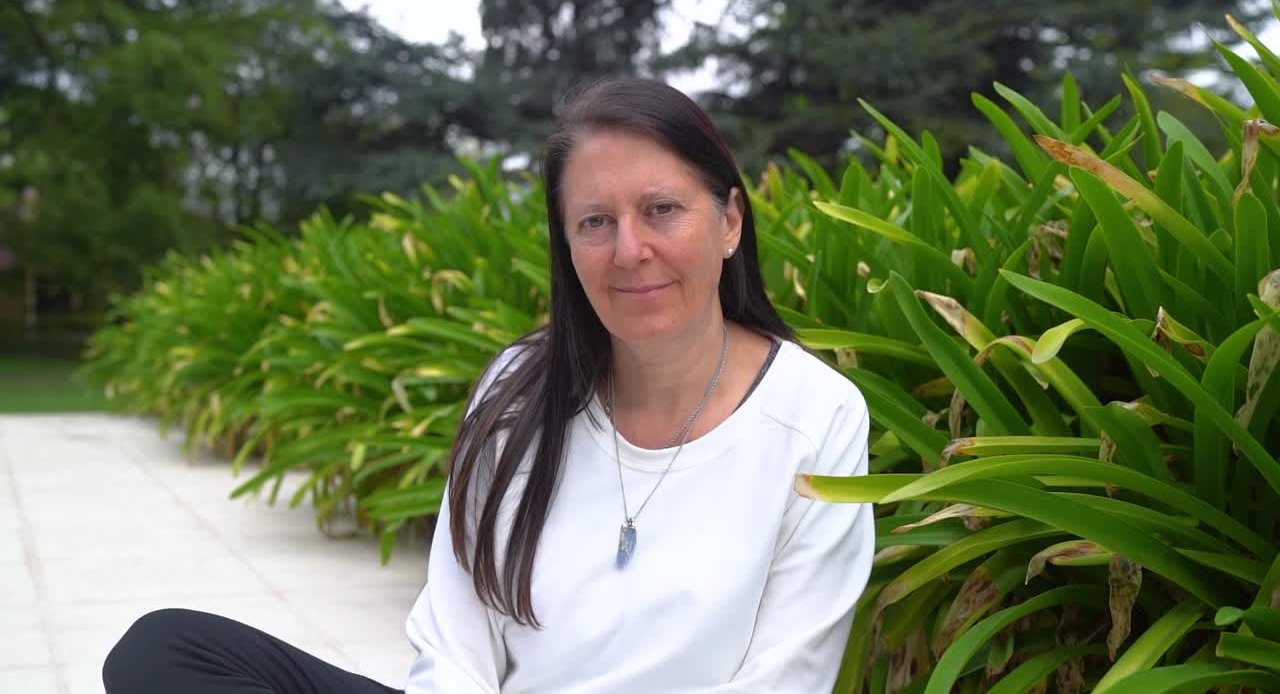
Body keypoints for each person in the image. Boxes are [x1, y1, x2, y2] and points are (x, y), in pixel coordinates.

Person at [102, 76, 874, 694]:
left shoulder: (815, 415)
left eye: (661, 210)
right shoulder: (519, 389)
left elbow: (786, 679)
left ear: (730, 221)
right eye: (594, 222)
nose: (629, 249)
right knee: (165, 651)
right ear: (566, 243)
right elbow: (454, 637)